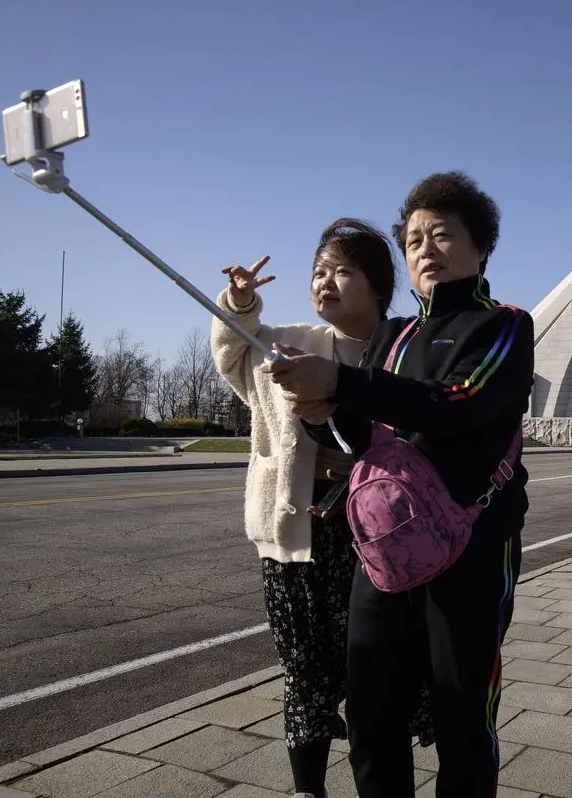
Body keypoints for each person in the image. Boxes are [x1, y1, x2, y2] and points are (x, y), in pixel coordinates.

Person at [264, 172, 534, 798]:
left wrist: (340, 384)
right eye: (413, 240)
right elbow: (364, 441)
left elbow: (455, 402)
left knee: (462, 716)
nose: (426, 250)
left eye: (442, 235)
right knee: (372, 713)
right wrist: (324, 414)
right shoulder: (393, 335)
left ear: (480, 247)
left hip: (472, 545)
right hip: (384, 552)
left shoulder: (503, 325)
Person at [210, 219, 432, 798]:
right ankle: (308, 789)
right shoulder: (292, 343)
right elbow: (234, 352)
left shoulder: (411, 349)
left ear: (379, 286)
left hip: (384, 542)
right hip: (302, 538)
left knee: (378, 679)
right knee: (304, 673)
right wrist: (239, 302)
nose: (324, 282)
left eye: (341, 271)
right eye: (318, 272)